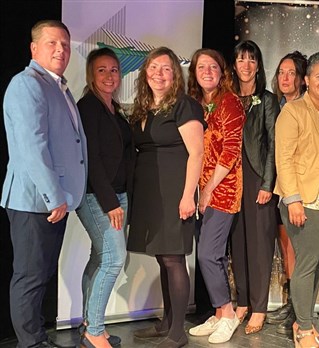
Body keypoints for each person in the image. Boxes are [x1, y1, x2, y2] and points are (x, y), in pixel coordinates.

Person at [1, 19, 87, 348]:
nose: (61, 49)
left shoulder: (57, 85)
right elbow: (31, 147)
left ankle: (36, 338)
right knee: (30, 277)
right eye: (52, 43)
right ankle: (31, 344)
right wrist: (55, 197)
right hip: (35, 201)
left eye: (65, 44)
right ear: (34, 49)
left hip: (52, 201)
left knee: (41, 275)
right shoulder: (27, 84)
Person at [127, 47, 205, 348]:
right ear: (145, 73)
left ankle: (178, 333)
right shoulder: (143, 107)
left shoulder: (184, 106)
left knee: (173, 258)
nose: (159, 74)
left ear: (176, 75)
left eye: (166, 68)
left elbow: (196, 153)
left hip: (175, 191)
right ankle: (167, 323)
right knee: (163, 257)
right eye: (153, 68)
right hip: (150, 193)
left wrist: (188, 196)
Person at [274, 52, 319, 348]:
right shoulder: (293, 111)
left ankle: (305, 323)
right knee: (305, 264)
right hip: (304, 202)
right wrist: (293, 200)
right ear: (306, 79)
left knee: (315, 264)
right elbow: (284, 158)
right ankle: (303, 330)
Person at [75, 47, 135, 348]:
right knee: (113, 260)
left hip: (117, 195)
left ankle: (89, 322)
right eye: (102, 70)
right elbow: (92, 160)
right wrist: (111, 202)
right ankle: (94, 331)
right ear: (91, 74)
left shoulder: (112, 107)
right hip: (98, 197)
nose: (109, 75)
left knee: (99, 259)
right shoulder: (88, 107)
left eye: (114, 69)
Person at [186, 48, 245, 344]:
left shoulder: (229, 102)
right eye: (201, 67)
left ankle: (228, 313)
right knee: (212, 255)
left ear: (222, 72)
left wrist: (208, 188)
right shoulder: (196, 103)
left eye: (213, 66)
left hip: (222, 190)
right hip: (197, 191)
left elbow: (231, 151)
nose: (207, 71)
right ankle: (221, 315)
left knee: (209, 253)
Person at [229, 40, 280, 335]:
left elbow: (274, 144)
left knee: (260, 245)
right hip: (232, 180)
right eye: (240, 59)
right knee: (238, 242)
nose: (246, 65)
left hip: (257, 178)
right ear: (234, 65)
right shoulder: (229, 98)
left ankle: (259, 308)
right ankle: (243, 302)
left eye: (251, 60)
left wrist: (267, 183)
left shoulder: (268, 100)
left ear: (258, 65)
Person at [266, 50, 308, 334]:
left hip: (298, 191)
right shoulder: (274, 106)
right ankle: (290, 301)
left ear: (302, 78)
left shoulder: (307, 107)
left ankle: (299, 308)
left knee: (298, 249)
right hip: (276, 189)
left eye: (292, 72)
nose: (285, 77)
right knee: (285, 247)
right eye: (282, 72)